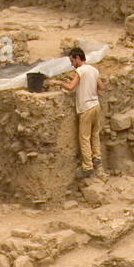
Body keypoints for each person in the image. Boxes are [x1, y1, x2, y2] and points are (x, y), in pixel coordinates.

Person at [56, 48, 104, 177]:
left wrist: (59, 82)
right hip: (96, 105)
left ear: (77, 58)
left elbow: (71, 87)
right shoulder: (94, 70)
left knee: (84, 138)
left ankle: (87, 167)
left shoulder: (80, 71)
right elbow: (101, 86)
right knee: (95, 134)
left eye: (72, 61)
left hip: (86, 108)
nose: (72, 64)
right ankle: (97, 159)